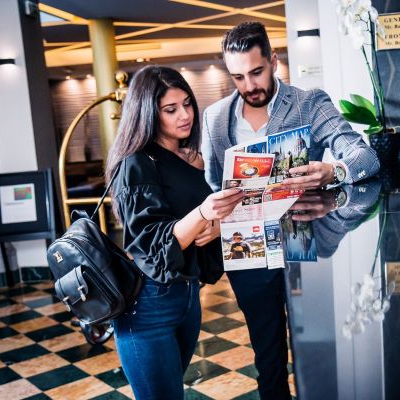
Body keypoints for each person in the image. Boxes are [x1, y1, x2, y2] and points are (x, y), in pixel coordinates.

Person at [201, 22, 380, 399]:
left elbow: (366, 155)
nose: (249, 86)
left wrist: (334, 170)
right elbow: (213, 184)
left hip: (306, 249)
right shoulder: (215, 118)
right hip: (247, 253)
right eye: (238, 77)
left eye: (256, 72)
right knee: (268, 359)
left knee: (315, 349)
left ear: (274, 62)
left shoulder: (309, 102)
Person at [105, 65, 244, 400]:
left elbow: (191, 225)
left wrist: (213, 224)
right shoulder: (136, 164)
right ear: (146, 114)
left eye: (187, 104)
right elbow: (153, 244)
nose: (185, 115)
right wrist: (204, 212)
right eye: (170, 109)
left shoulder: (186, 157)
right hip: (148, 304)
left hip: (186, 296)